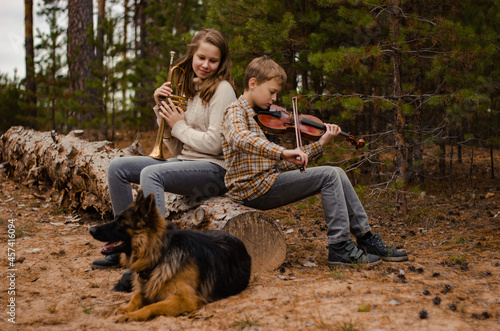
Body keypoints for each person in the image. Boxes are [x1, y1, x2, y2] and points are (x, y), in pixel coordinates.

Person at [221, 56, 408, 267]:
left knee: (337, 173)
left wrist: (320, 144)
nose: (274, 98)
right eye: (271, 91)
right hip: (250, 190)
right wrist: (283, 151)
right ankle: (339, 247)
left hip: (266, 182)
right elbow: (239, 138)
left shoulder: (260, 116)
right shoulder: (234, 111)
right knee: (329, 175)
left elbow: (276, 164)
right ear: (253, 83)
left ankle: (366, 238)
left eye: (277, 93)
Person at [92, 29, 237, 270]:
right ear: (192, 54)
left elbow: (215, 144)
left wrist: (178, 125)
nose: (206, 65)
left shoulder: (223, 90)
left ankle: (158, 255)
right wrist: (162, 114)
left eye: (214, 60)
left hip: (216, 170)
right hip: (185, 162)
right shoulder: (188, 88)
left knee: (151, 173)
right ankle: (124, 245)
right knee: (117, 167)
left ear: (222, 62)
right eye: (201, 57)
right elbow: (176, 147)